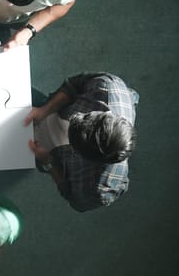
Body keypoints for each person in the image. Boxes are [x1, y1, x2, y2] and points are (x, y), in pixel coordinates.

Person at [24, 72, 139, 212]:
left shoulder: (99, 189)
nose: (74, 119)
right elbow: (74, 85)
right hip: (46, 109)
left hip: (44, 155)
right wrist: (44, 110)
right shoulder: (107, 87)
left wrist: (48, 162)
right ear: (104, 113)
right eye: (83, 116)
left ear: (90, 160)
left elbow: (73, 198)